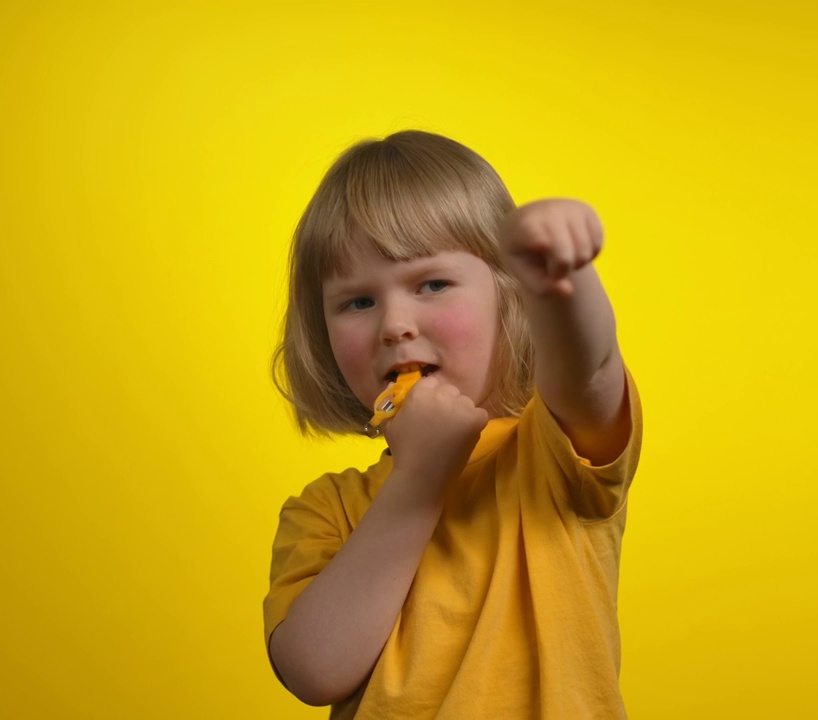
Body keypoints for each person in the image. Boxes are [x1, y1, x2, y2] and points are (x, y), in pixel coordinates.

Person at [264, 129, 643, 719]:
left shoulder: (552, 453)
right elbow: (315, 669)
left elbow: (591, 371)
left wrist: (564, 281)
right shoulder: (326, 510)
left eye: (432, 284)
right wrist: (417, 480)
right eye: (357, 302)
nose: (394, 324)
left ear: (511, 297)